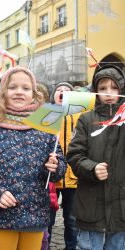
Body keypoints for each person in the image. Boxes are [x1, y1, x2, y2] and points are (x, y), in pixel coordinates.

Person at [0, 66, 67, 250]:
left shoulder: (45, 128)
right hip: (2, 214)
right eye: (13, 87)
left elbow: (60, 166)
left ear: (34, 94)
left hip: (35, 212)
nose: (19, 92)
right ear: (3, 92)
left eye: (25, 88)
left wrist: (56, 167)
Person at [67, 65, 125, 250]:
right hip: (90, 205)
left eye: (114, 87)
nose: (109, 92)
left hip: (121, 207)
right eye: (103, 88)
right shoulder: (86, 119)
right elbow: (75, 155)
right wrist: (91, 168)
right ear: (95, 91)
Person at [48, 82, 79, 250]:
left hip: (74, 176)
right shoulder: (47, 113)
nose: (63, 92)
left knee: (72, 220)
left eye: (67, 91)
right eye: (59, 90)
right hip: (51, 176)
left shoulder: (81, 116)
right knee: (48, 218)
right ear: (54, 95)